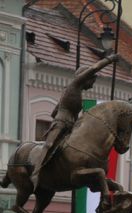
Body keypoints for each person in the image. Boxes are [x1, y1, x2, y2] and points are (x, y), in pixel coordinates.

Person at [31, 54, 119, 189]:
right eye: (92, 81)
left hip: (71, 125)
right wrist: (110, 59)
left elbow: (54, 111)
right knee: (49, 145)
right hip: (61, 123)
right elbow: (94, 68)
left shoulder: (74, 92)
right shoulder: (75, 85)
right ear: (85, 78)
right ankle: (36, 173)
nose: (92, 85)